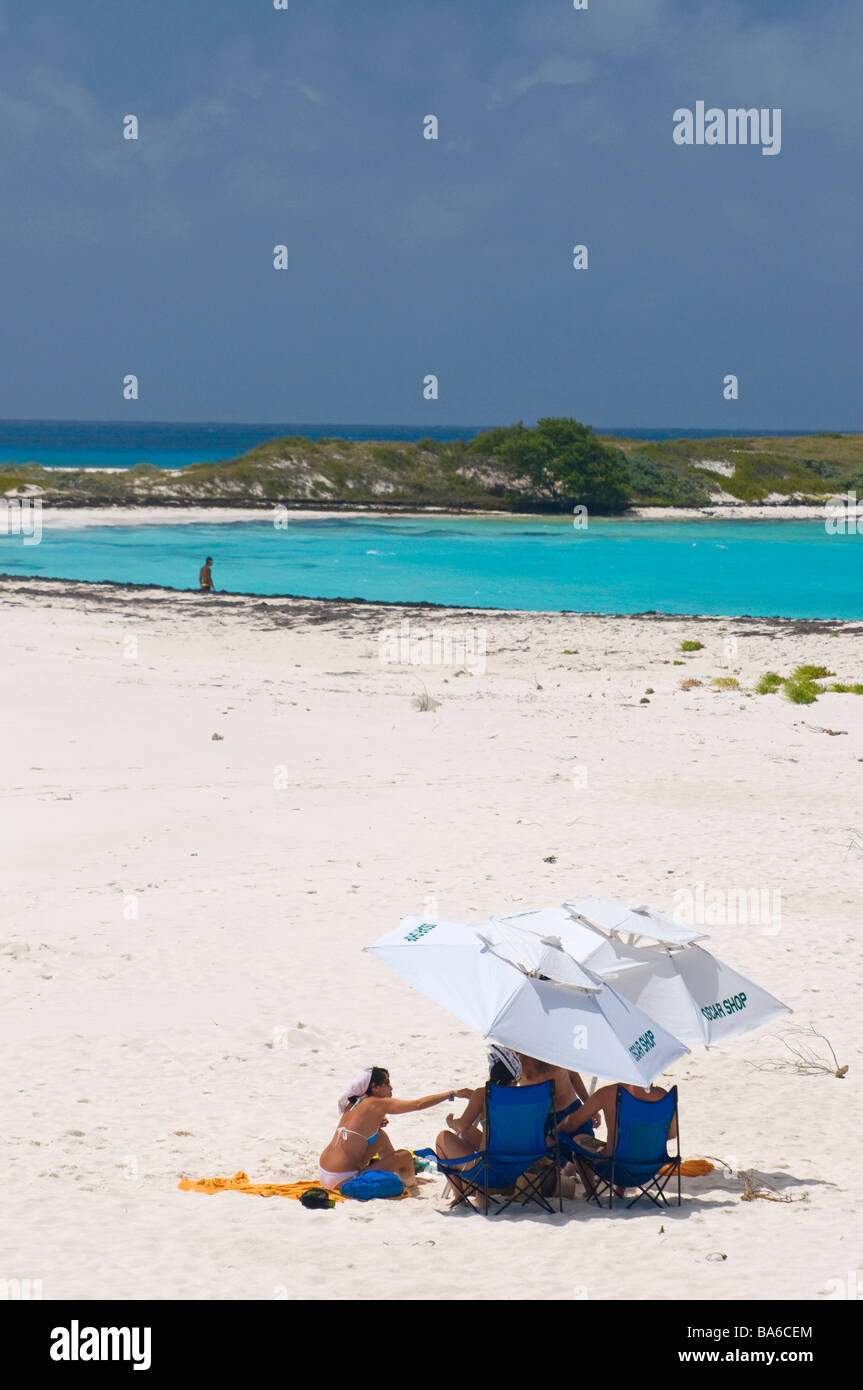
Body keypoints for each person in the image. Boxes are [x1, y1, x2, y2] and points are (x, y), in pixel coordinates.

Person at [318, 1066, 471, 1192]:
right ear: (374, 1087)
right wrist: (452, 1094)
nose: (391, 1087)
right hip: (343, 1179)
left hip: (325, 1172)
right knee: (404, 1156)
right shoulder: (376, 1104)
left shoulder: (352, 1104)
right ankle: (410, 1184)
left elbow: (357, 1128)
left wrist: (376, 1125)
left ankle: (401, 1172)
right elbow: (418, 1104)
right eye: (387, 1083)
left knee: (380, 1137)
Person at [438, 1044, 522, 1157]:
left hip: (489, 1164)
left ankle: (455, 1175)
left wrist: (450, 1122)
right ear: (515, 1079)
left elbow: (461, 1126)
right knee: (467, 1133)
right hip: (519, 1161)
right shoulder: (523, 1097)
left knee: (443, 1137)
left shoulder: (483, 1093)